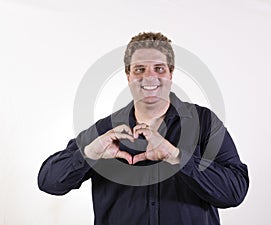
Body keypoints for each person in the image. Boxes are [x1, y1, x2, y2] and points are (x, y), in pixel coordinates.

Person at [38, 32, 249, 225]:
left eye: (159, 68)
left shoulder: (204, 122)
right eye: (140, 69)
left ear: (170, 74)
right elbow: (49, 182)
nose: (149, 77)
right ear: (128, 75)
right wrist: (89, 154)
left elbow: (235, 191)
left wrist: (176, 156)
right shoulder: (105, 130)